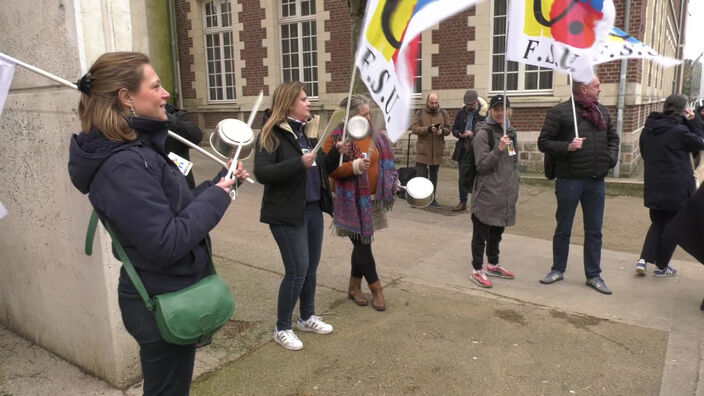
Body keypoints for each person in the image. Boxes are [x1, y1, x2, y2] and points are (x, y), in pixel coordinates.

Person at [67, 52, 249, 395]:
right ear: (126, 97)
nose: (166, 93)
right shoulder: (123, 166)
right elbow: (166, 241)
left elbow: (177, 212)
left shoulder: (142, 153)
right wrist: (218, 198)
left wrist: (221, 184)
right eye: (156, 85)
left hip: (171, 289)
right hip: (159, 300)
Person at [253, 82, 344, 351]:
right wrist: (297, 164)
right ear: (289, 103)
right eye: (303, 99)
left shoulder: (307, 133)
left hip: (313, 209)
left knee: (311, 268)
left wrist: (336, 152)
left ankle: (306, 317)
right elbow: (263, 173)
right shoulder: (271, 134)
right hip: (286, 213)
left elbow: (319, 167)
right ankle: (282, 328)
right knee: (296, 271)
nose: (309, 103)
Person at [537, 77, 619, 295]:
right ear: (583, 89)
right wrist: (567, 146)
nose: (600, 89)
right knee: (563, 228)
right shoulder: (560, 112)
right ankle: (557, 269)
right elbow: (543, 142)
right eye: (596, 86)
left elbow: (614, 139)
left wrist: (609, 159)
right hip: (569, 180)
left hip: (595, 182)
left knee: (594, 231)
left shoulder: (602, 112)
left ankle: (593, 275)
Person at [323, 95, 398, 311]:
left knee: (362, 244)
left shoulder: (374, 134)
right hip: (350, 201)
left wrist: (392, 181)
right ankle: (377, 289)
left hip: (372, 200)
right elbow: (328, 167)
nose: (368, 117)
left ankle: (354, 286)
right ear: (350, 116)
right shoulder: (337, 136)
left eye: (368, 113)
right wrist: (353, 166)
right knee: (363, 245)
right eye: (363, 114)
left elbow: (382, 163)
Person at [635, 94, 704, 276]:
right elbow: (700, 142)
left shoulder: (649, 128)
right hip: (677, 188)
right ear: (683, 110)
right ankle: (661, 266)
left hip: (654, 184)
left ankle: (643, 260)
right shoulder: (679, 131)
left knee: (657, 223)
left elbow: (644, 152)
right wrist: (694, 121)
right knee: (673, 228)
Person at [468, 95, 519, 288]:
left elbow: (513, 158)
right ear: (491, 111)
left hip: (505, 192)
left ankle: (493, 263)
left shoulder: (510, 132)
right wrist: (498, 149)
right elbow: (481, 166)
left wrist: (515, 179)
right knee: (481, 232)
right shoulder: (483, 133)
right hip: (487, 192)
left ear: (509, 111)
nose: (500, 112)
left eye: (504, 108)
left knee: (498, 230)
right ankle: (477, 269)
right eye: (496, 109)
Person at [411, 92, 451, 208]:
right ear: (427, 102)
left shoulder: (443, 113)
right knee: (421, 176)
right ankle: (419, 200)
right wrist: (428, 129)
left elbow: (449, 129)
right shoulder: (419, 113)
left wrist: (442, 131)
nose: (434, 105)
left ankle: (432, 199)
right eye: (432, 102)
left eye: (436, 102)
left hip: (437, 150)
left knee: (434, 176)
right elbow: (414, 129)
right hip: (423, 150)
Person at [451, 89, 487, 212]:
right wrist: (459, 134)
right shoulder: (461, 113)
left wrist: (474, 133)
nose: (470, 107)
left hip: (477, 150)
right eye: (468, 105)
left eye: (472, 105)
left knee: (478, 177)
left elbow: (487, 131)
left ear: (476, 101)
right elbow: (454, 129)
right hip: (463, 148)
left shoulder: (484, 114)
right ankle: (462, 202)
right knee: (462, 177)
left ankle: (479, 203)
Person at [165, 103, 203, 189]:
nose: (165, 94)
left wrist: (168, 118)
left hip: (181, 182)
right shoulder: (131, 120)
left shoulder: (176, 114)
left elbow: (196, 137)